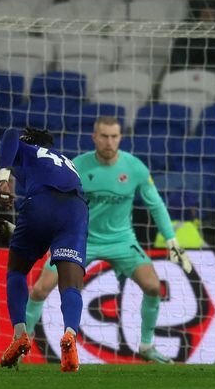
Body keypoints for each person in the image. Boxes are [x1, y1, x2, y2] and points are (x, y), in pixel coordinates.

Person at [22, 117, 191, 364]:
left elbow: (156, 205)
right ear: (94, 138)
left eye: (114, 136)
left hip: (122, 241)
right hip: (80, 239)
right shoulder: (77, 165)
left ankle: (146, 346)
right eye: (104, 136)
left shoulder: (135, 168)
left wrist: (171, 239)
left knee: (154, 287)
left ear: (120, 138)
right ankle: (21, 341)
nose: (109, 142)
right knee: (39, 289)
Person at [0, 128, 88, 372]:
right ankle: (70, 334)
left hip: (41, 204)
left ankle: (20, 335)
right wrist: (14, 227)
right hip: (76, 210)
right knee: (71, 283)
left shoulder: (29, 148)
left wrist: (4, 178)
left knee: (17, 270)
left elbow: (10, 134)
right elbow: (49, 230)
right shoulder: (66, 162)